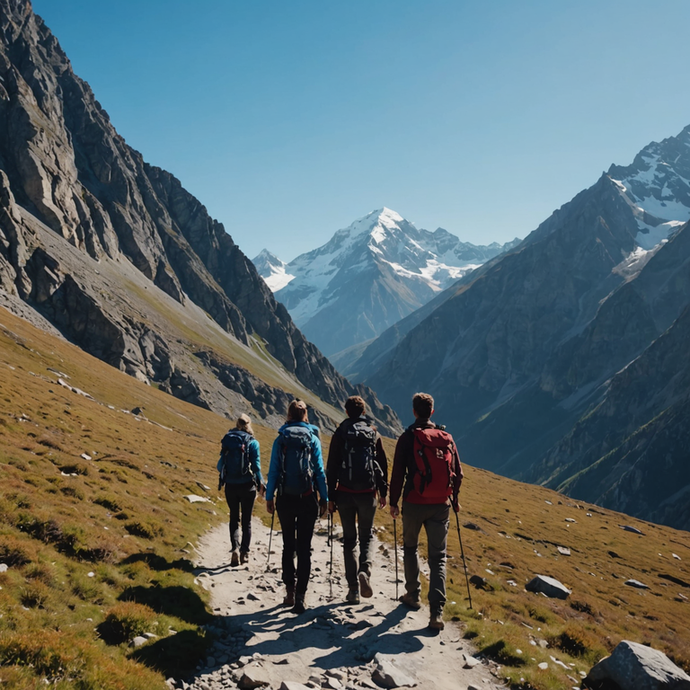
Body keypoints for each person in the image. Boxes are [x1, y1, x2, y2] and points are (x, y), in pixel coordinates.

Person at [389, 392, 463, 631]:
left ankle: (412, 595)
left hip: (413, 501)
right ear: (432, 411)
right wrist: (455, 499)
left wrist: (393, 502)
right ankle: (437, 613)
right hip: (441, 504)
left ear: (414, 412)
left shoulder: (408, 437)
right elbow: (457, 472)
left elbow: (398, 473)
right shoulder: (447, 437)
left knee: (410, 548)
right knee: (438, 557)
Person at [266, 400, 328, 614]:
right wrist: (325, 498)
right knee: (304, 549)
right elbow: (319, 471)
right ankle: (301, 596)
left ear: (289, 415)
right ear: (305, 417)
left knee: (287, 545)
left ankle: (290, 592)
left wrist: (269, 497)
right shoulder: (312, 438)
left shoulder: (281, 439)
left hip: (285, 498)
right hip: (307, 497)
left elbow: (273, 471)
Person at [327, 395, 388, 604]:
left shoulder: (341, 432)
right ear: (363, 411)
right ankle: (365, 569)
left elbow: (332, 465)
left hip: (344, 493)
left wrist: (330, 496)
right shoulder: (373, 433)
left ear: (346, 411)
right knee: (367, 535)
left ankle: (353, 590)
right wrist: (383, 492)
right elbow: (382, 464)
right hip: (368, 493)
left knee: (349, 540)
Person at [217, 413, 265, 567]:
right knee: (247, 520)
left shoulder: (228, 440)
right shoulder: (253, 442)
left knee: (234, 518)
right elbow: (256, 467)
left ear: (236, 424)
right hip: (248, 486)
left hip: (231, 485)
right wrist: (261, 483)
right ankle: (245, 552)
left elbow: (220, 465)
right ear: (249, 424)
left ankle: (235, 549)